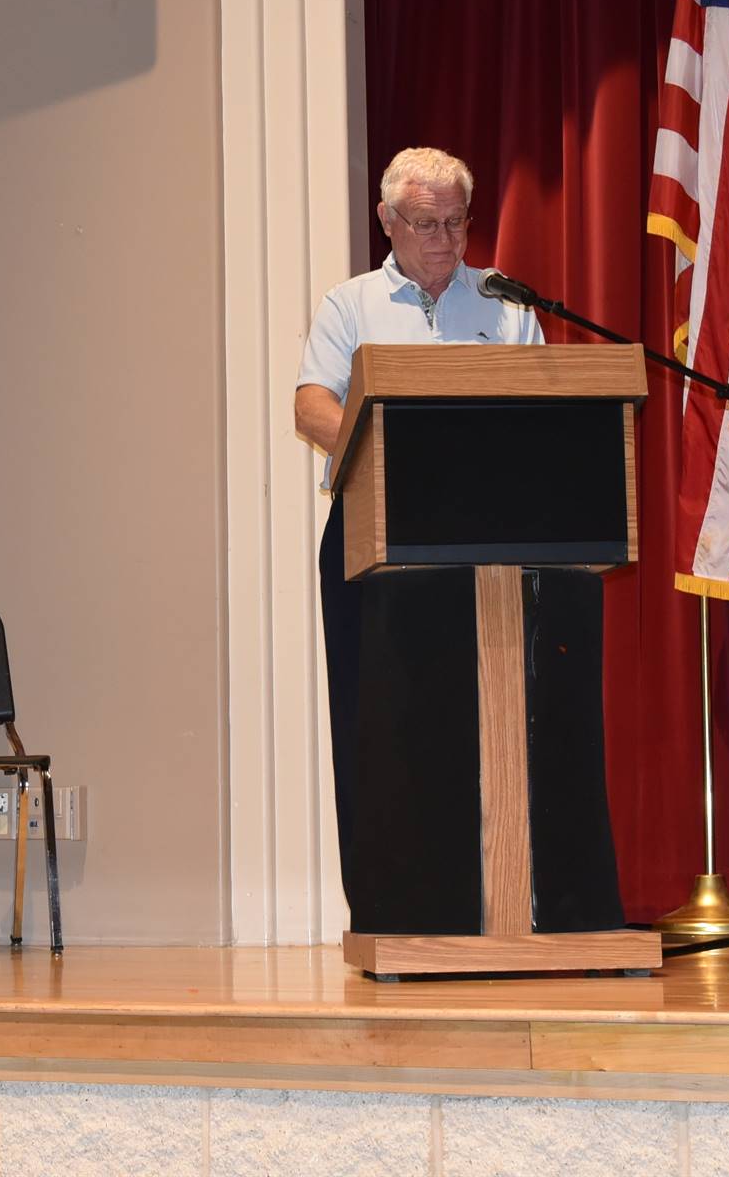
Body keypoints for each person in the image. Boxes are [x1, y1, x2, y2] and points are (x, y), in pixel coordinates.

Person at [292, 146, 543, 923]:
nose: (444, 237)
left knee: (485, 718)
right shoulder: (351, 304)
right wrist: (392, 459)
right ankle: (391, 909)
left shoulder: (505, 305)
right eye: (425, 222)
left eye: (456, 221)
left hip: (488, 542)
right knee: (384, 719)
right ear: (387, 222)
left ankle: (496, 903)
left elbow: (543, 407)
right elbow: (310, 409)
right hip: (379, 533)